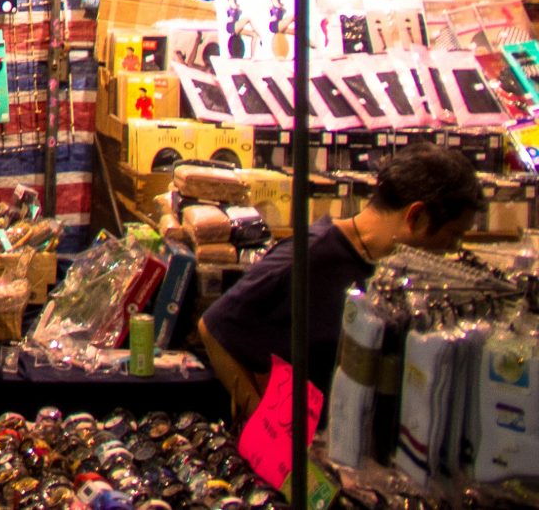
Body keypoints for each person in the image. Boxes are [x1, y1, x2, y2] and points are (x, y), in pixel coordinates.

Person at [199, 142, 482, 414]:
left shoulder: (391, 267)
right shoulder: (308, 257)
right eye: (453, 235)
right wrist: (260, 423)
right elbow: (213, 328)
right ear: (416, 216)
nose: (453, 250)